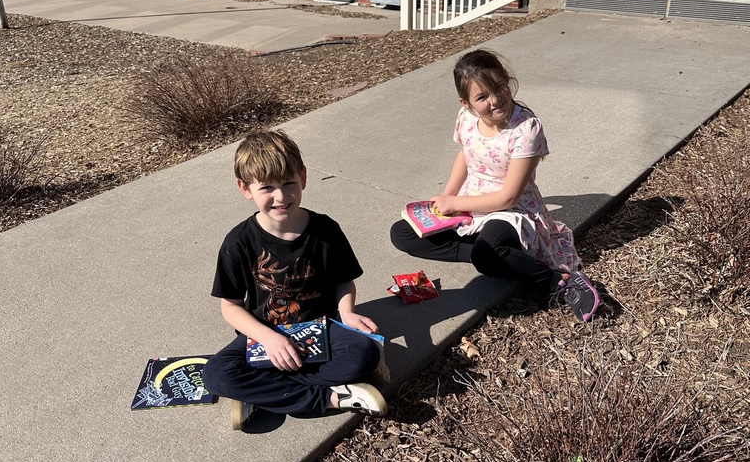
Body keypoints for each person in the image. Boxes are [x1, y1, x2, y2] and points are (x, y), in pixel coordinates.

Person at [389, 49, 600, 322]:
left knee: (487, 251)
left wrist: (456, 204)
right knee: (402, 233)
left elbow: (508, 197)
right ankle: (489, 253)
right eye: (482, 96)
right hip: (471, 201)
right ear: (465, 103)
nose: (495, 98)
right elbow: (466, 153)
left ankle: (560, 279)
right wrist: (448, 195)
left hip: (512, 211)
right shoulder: (466, 119)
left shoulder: (526, 129)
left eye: (500, 86)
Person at [203, 129, 387, 420]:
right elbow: (231, 306)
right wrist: (268, 338)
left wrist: (348, 313)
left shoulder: (326, 230)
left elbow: (343, 281)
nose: (280, 196)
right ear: (245, 189)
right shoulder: (238, 242)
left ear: (303, 177)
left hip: (322, 327)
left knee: (365, 354)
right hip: (266, 335)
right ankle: (333, 398)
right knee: (215, 375)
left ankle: (263, 395)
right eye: (266, 188)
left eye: (288, 183)